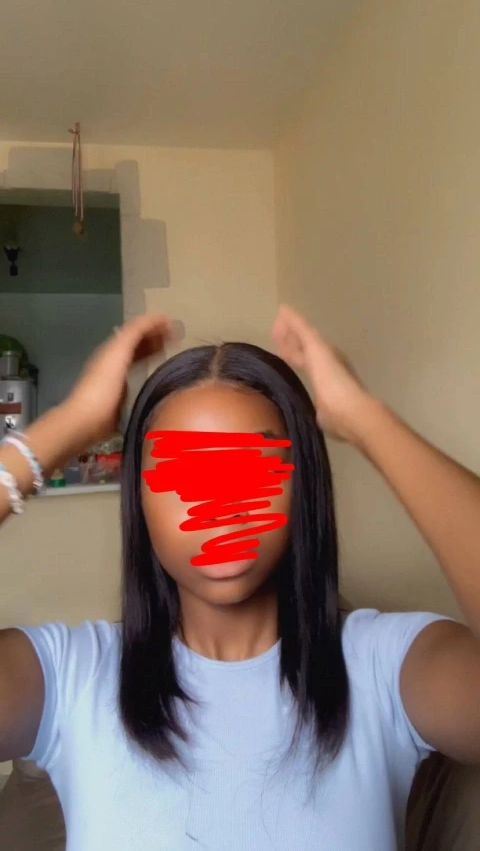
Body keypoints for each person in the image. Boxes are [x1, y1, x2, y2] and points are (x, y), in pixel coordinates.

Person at [0, 305, 479, 851]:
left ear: (303, 489)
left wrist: (368, 422)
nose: (222, 510)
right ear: (139, 502)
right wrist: (70, 425)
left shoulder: (387, 667)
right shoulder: (67, 678)